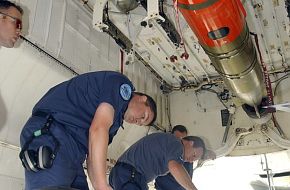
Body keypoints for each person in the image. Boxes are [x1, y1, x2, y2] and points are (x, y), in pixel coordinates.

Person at [19, 71, 157, 190]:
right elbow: (97, 129)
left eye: (141, 124)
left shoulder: (114, 124)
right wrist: (102, 185)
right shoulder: (121, 85)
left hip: (74, 151)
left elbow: (92, 156)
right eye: (143, 116)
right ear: (142, 99)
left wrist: (100, 186)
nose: (138, 121)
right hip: (54, 132)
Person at [109, 132, 206, 190]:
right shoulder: (177, 145)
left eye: (194, 159)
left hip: (126, 175)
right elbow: (175, 167)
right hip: (130, 175)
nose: (190, 161)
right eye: (194, 155)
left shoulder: (169, 146)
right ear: (190, 143)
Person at [155, 125, 216, 190]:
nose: (179, 141)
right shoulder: (166, 150)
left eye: (182, 138)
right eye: (177, 137)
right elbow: (175, 167)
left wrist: (205, 153)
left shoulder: (187, 156)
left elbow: (197, 151)